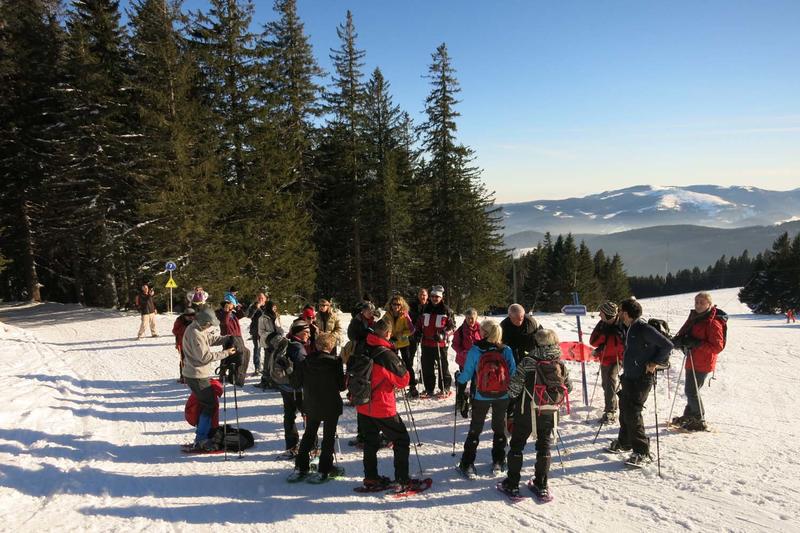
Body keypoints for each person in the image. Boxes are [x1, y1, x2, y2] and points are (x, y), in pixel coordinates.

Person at [501, 328, 571, 499]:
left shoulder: (528, 361)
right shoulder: (559, 363)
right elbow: (568, 387)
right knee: (544, 445)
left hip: (527, 411)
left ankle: (512, 484)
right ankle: (541, 484)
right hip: (549, 411)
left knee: (517, 445)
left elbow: (514, 389)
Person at [357, 320, 424, 493]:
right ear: (387, 334)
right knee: (401, 439)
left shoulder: (362, 346)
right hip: (382, 405)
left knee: (370, 441)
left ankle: (371, 478)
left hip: (363, 403)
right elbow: (403, 381)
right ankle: (402, 480)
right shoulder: (386, 354)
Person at [607, 298, 673, 466]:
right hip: (629, 376)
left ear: (627, 313)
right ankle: (625, 442)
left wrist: (654, 363)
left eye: (621, 311)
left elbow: (667, 345)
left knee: (633, 413)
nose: (619, 314)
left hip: (642, 378)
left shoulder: (643, 328)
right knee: (624, 409)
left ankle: (642, 451)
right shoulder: (630, 327)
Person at [456, 320, 516, 476]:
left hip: (481, 395)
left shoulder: (476, 350)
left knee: (475, 429)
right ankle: (498, 461)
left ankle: (467, 464)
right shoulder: (506, 350)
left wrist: (459, 381)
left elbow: (467, 374)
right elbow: (513, 373)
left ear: (484, 332)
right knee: (499, 428)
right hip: (502, 395)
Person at [288, 332, 346, 482]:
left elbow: (295, 383)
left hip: (312, 404)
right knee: (328, 437)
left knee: (309, 435)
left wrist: (290, 370)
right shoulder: (335, 362)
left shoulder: (305, 362)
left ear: (317, 345)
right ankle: (324, 470)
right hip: (330, 404)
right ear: (331, 346)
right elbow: (341, 386)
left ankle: (301, 467)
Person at [181, 308, 236, 451]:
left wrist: (226, 338)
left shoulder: (198, 329)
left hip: (197, 374)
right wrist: (226, 353)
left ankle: (202, 436)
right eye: (210, 325)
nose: (211, 327)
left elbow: (209, 339)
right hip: (197, 375)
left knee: (207, 404)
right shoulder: (195, 333)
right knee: (210, 405)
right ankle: (201, 439)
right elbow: (204, 357)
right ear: (205, 322)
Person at [671, 292, 726, 431]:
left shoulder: (713, 322)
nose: (698, 305)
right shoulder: (695, 317)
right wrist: (680, 341)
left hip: (703, 362)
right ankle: (690, 416)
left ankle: (699, 419)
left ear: (709, 304)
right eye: (697, 302)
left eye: (702, 302)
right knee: (692, 390)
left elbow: (718, 347)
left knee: (691, 391)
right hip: (692, 359)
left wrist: (696, 343)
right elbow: (686, 334)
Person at [277, 320, 311, 458]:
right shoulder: (298, 348)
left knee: (289, 415)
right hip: (297, 388)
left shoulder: (287, 342)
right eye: (306, 333)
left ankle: (291, 446)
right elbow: (304, 369)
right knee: (308, 415)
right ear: (298, 333)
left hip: (285, 386)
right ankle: (311, 446)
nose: (308, 335)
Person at [415, 285, 455, 398]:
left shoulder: (447, 310)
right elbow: (419, 323)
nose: (434, 298)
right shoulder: (424, 308)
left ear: (441, 298)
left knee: (443, 366)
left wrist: (443, 334)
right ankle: (429, 389)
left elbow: (452, 327)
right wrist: (417, 332)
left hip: (440, 344)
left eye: (437, 297)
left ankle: (445, 388)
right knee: (427, 366)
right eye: (432, 296)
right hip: (426, 343)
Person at [589, 301, 625, 424]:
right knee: (606, 384)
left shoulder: (622, 325)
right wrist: (604, 335)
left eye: (602, 313)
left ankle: (610, 411)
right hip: (605, 358)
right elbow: (593, 341)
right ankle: (612, 405)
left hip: (618, 359)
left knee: (610, 380)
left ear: (609, 314)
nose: (599, 315)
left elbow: (625, 343)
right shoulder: (602, 325)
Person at [383, 295, 418, 397]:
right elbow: (383, 327)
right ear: (390, 305)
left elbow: (412, 330)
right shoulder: (386, 315)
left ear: (402, 305)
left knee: (407, 364)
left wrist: (401, 334)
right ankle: (393, 385)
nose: (396, 306)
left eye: (399, 304)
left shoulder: (405, 315)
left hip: (403, 343)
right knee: (392, 365)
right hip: (391, 343)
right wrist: (389, 336)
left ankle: (412, 386)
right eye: (394, 304)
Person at [215, 300, 251, 387]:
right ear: (226, 306)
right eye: (230, 304)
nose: (232, 306)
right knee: (233, 354)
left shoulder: (233, 313)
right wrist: (226, 311)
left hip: (237, 336)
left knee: (230, 354)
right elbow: (225, 323)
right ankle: (229, 374)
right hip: (229, 337)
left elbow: (243, 314)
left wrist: (239, 308)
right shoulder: (221, 313)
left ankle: (227, 373)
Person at [257, 300, 284, 390]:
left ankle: (274, 380)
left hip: (277, 341)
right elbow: (261, 332)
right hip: (268, 342)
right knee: (268, 361)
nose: (275, 309)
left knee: (276, 361)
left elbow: (279, 327)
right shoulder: (263, 318)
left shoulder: (277, 316)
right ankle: (265, 380)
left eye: (275, 307)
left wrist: (280, 333)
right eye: (273, 307)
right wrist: (271, 335)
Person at [171, 308, 196, 383]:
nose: (191, 317)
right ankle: (183, 376)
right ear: (185, 316)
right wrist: (186, 327)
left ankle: (194, 376)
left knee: (194, 360)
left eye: (192, 315)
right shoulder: (179, 320)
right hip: (182, 344)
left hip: (194, 344)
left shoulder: (195, 320)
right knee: (184, 360)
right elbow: (175, 331)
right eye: (188, 316)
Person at [247, 292, 268, 375]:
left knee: (267, 350)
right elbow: (249, 316)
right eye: (259, 298)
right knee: (257, 349)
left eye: (262, 298)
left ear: (265, 299)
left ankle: (266, 367)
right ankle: (257, 368)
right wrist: (256, 308)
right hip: (256, 331)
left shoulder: (267, 307)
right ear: (256, 299)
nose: (260, 299)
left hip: (266, 332)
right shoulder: (253, 306)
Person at [407, 287, 428, 369]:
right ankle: (409, 374)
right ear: (418, 295)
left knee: (426, 357)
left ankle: (423, 373)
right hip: (413, 333)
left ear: (427, 296)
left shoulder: (430, 306)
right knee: (410, 355)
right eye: (420, 294)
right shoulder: (412, 305)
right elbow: (407, 319)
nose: (422, 296)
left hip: (427, 334)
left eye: (424, 295)